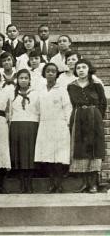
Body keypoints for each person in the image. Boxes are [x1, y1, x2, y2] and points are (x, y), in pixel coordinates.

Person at [68, 59, 107, 193]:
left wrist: (97, 117)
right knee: (81, 149)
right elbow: (71, 105)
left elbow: (103, 103)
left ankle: (94, 184)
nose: (81, 70)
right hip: (78, 118)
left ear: (89, 69)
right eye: (78, 68)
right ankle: (84, 183)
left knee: (95, 149)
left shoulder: (96, 85)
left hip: (94, 117)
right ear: (75, 70)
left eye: (84, 67)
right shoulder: (71, 86)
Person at [34, 63, 71, 193]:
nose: (50, 73)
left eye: (53, 71)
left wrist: (67, 124)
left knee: (59, 155)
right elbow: (37, 108)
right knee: (47, 155)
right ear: (44, 73)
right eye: (48, 71)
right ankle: (51, 183)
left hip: (59, 125)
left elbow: (67, 107)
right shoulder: (40, 90)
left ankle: (59, 184)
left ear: (56, 74)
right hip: (45, 125)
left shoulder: (62, 89)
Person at [9, 69, 39, 193]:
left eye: (26, 78)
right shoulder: (12, 94)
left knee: (30, 154)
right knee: (20, 155)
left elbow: (39, 110)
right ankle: (22, 183)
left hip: (31, 125)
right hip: (17, 125)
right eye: (21, 78)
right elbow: (9, 112)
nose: (23, 80)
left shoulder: (36, 94)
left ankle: (30, 183)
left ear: (29, 80)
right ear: (17, 80)